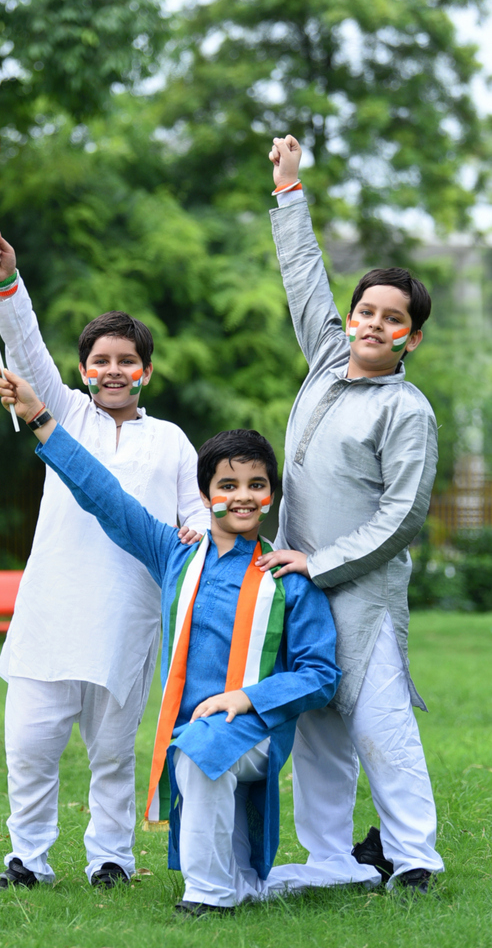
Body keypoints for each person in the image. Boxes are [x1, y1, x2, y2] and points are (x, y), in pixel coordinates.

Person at [0, 366, 341, 914]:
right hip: (192, 734)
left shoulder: (285, 575)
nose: (242, 498)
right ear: (204, 497)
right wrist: (40, 419)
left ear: (272, 496)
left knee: (201, 756)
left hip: (255, 731)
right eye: (227, 486)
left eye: (256, 486)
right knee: (237, 844)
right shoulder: (178, 557)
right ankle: (335, 874)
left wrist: (245, 699)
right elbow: (103, 495)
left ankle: (207, 898)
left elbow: (321, 675)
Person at [0, 234, 210, 890]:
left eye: (126, 361)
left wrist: (194, 535)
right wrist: (8, 282)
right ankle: (27, 858)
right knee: (30, 748)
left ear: (146, 372)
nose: (113, 370)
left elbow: (195, 513)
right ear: (83, 371)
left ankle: (111, 857)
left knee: (112, 753)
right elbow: (24, 348)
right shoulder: (66, 415)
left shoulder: (169, 439)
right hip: (51, 615)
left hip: (126, 619)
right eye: (100, 360)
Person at [256, 135, 444, 895]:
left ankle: (416, 858)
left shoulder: (408, 410)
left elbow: (402, 518)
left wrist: (320, 562)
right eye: (365, 309)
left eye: (390, 318)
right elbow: (304, 279)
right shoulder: (326, 358)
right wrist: (289, 190)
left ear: (411, 338)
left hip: (359, 594)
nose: (371, 323)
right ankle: (332, 859)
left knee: (379, 723)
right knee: (317, 726)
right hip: (298, 586)